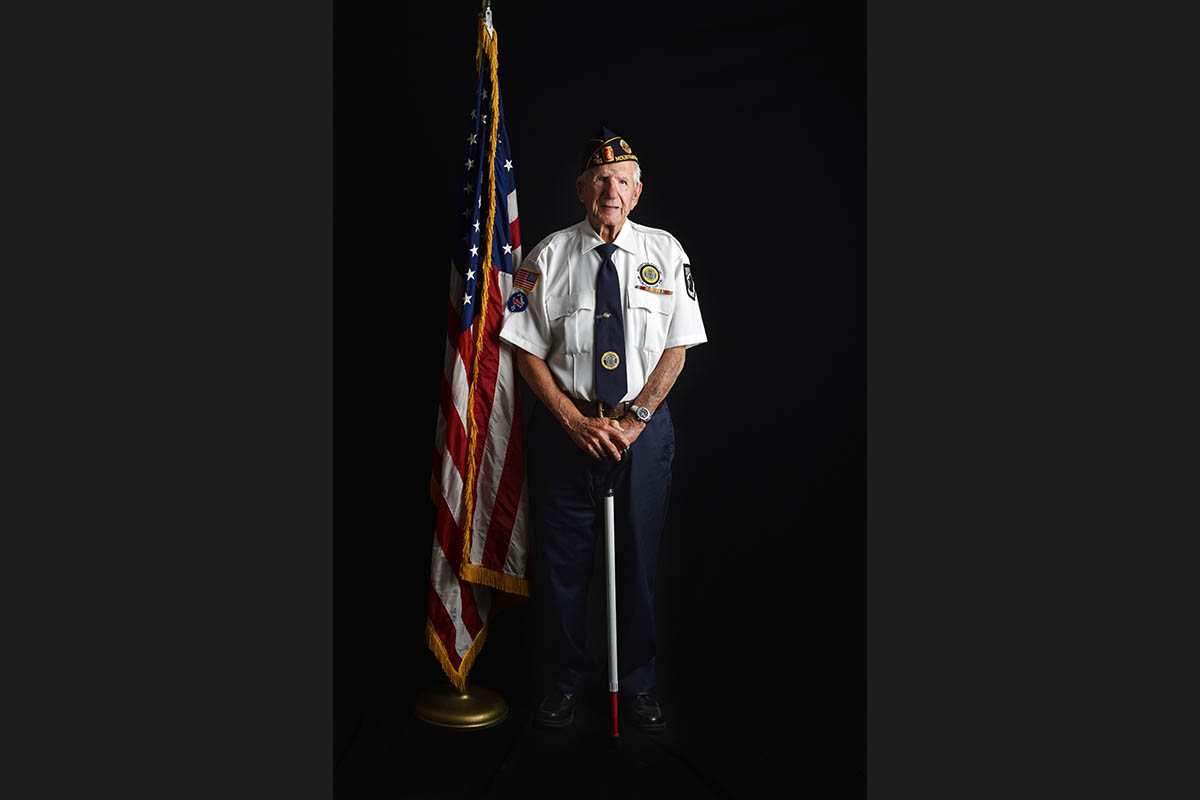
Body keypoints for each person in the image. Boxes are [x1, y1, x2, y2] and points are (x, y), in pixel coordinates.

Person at [498, 128, 707, 732]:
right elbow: (522, 347)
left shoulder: (666, 253)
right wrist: (570, 419)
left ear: (636, 193)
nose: (610, 190)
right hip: (567, 431)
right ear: (582, 191)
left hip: (642, 432)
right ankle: (564, 681)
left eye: (622, 181)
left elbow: (677, 347)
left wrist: (637, 418)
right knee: (563, 564)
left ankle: (637, 682)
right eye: (599, 181)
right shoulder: (546, 256)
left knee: (639, 560)